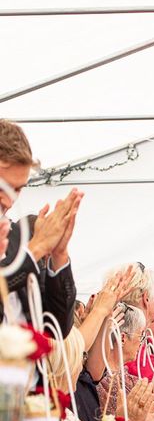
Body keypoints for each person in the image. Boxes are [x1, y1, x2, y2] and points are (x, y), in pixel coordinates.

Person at [0, 119, 83, 336]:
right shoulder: (30, 245)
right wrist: (35, 249)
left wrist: (59, 254)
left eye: (17, 189)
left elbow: (57, 327)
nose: (9, 202)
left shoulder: (17, 237)